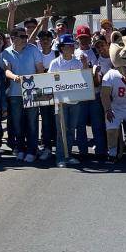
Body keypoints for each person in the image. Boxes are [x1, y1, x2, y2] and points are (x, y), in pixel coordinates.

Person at [1, 27, 44, 162]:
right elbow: (7, 71)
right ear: (13, 38)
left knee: (32, 122)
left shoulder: (33, 49)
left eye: (26, 36)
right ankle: (20, 148)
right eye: (22, 36)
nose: (26, 38)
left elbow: (40, 70)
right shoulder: (6, 52)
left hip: (32, 92)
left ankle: (32, 150)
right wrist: (15, 77)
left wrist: (35, 84)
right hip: (14, 93)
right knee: (17, 123)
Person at [49, 34, 85, 167]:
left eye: (72, 45)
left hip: (75, 101)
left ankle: (68, 155)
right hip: (60, 102)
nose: (71, 48)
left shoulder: (77, 63)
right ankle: (60, 158)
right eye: (68, 46)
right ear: (62, 48)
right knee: (61, 131)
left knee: (71, 129)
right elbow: (50, 81)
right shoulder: (55, 63)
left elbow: (83, 81)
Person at [74, 25, 107, 159]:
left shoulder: (96, 51)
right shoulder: (73, 53)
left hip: (95, 93)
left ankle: (100, 151)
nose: (83, 40)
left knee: (97, 124)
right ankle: (83, 152)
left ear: (90, 38)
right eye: (81, 38)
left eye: (86, 37)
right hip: (80, 95)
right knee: (80, 125)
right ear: (77, 38)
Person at [36, 29, 56, 160]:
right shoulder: (36, 55)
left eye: (48, 39)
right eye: (42, 39)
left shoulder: (57, 53)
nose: (45, 41)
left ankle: (59, 145)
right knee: (45, 118)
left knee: (57, 118)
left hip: (57, 91)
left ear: (51, 41)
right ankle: (46, 145)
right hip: (41, 91)